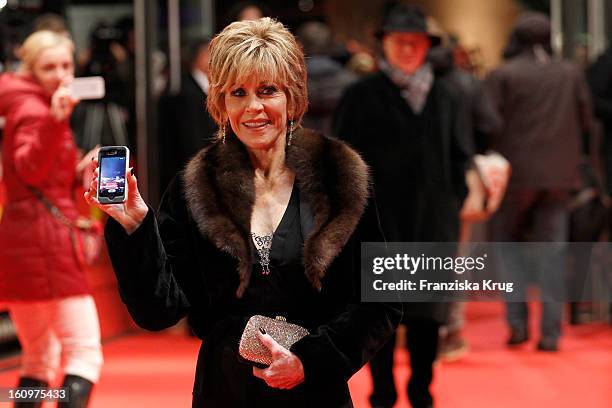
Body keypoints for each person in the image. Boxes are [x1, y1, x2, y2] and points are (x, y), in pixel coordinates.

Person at [85, 18, 401, 407]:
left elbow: (381, 298)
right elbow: (158, 311)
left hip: (316, 393)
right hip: (225, 391)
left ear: (293, 97)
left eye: (268, 90)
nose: (253, 108)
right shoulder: (195, 187)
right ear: (221, 102)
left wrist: (311, 360)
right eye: (238, 92)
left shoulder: (341, 178)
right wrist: (135, 225)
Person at [333, 4, 470, 408]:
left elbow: (461, 154)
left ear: (427, 46)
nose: (408, 49)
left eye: (416, 42)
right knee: (378, 314)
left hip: (432, 225)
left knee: (428, 317)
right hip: (380, 224)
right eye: (400, 42)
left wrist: (452, 198)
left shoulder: (447, 94)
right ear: (385, 45)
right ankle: (383, 392)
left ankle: (422, 390)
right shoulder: (360, 95)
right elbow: (343, 158)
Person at [0, 31, 103, 408]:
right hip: (47, 245)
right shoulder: (36, 111)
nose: (60, 74)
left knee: (38, 357)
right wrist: (53, 121)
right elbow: (28, 167)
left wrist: (77, 169)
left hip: (22, 241)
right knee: (84, 352)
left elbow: (36, 174)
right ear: (30, 69)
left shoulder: (28, 105)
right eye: (49, 67)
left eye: (66, 65)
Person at [486, 12, 593, 352]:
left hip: (513, 177)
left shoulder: (503, 74)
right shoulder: (569, 74)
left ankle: (517, 325)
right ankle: (551, 333)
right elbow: (588, 122)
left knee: (508, 247)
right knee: (553, 253)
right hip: (560, 176)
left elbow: (488, 123)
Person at [158, 37, 217, 191]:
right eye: (214, 55)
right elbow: (191, 140)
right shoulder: (187, 92)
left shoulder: (204, 87)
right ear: (202, 56)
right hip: (194, 174)